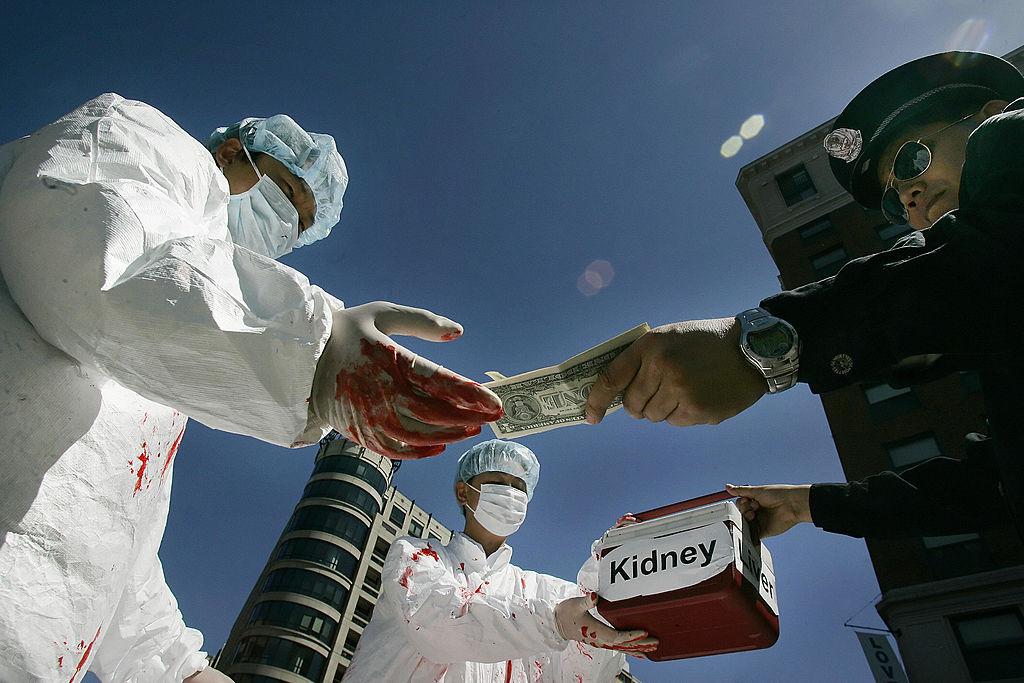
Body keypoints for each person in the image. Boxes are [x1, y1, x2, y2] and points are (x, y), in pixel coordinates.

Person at [0, 94, 501, 682]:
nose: (286, 227)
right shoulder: (140, 141)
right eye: (288, 196)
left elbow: (108, 536)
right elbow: (97, 257)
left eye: (302, 227)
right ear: (236, 150)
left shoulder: (156, 376)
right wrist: (312, 350)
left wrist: (179, 667)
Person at [584, 51, 1024, 541]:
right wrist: (806, 505)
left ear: (989, 115)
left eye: (911, 159)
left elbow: (989, 256)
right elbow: (989, 489)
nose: (909, 196)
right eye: (895, 198)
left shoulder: (1011, 138)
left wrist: (764, 345)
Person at [344, 439, 658, 682]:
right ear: (463, 492)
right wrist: (554, 621)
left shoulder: (540, 591)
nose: (510, 492)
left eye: (519, 486)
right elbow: (439, 626)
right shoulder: (417, 558)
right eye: (498, 481)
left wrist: (613, 570)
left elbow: (575, 670)